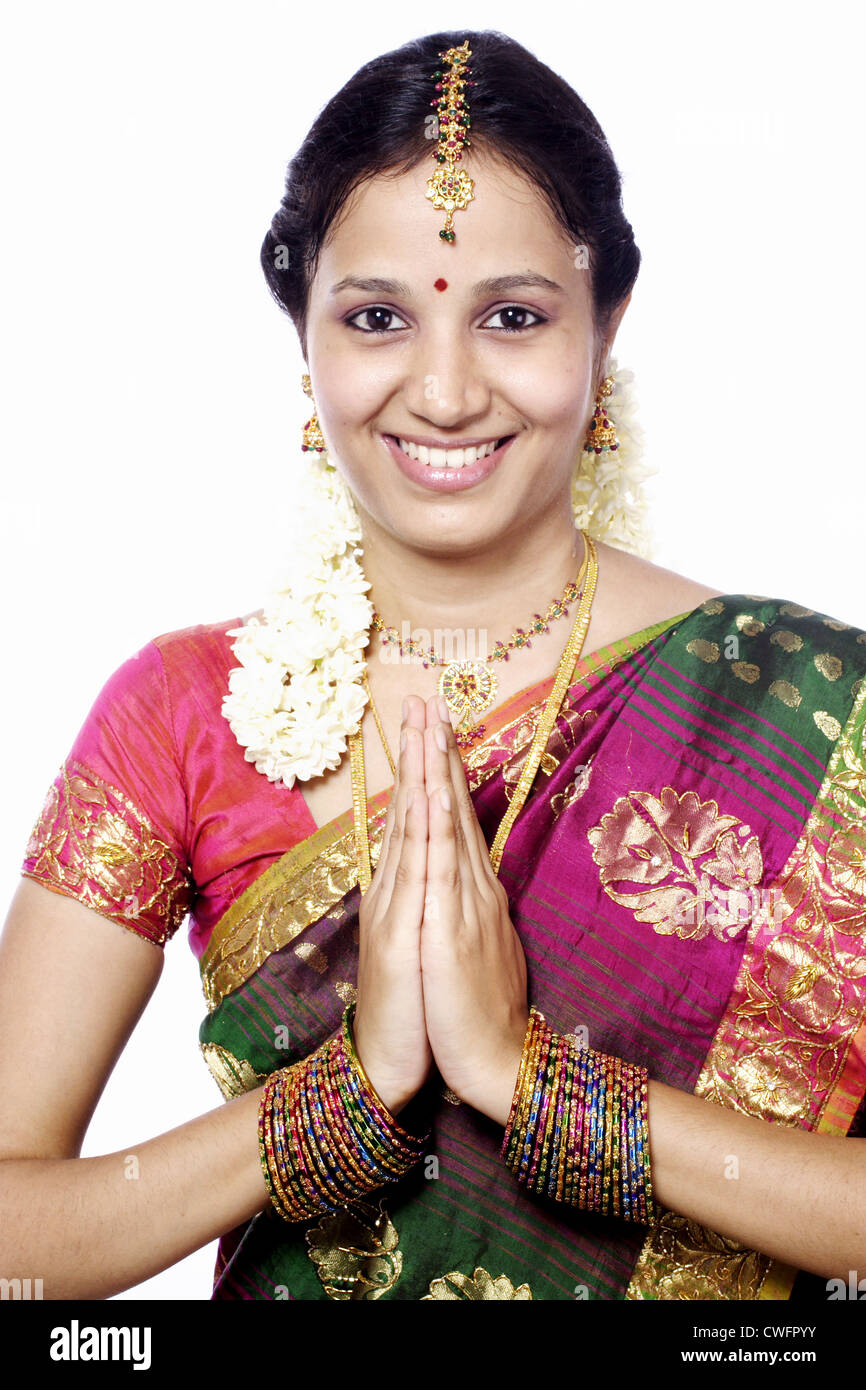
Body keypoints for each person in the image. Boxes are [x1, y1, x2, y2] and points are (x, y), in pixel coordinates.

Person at [1, 27, 864, 1303]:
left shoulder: (815, 705)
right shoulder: (175, 715)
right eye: (376, 318)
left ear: (604, 321)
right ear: (305, 334)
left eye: (512, 316)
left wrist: (528, 1081)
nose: (445, 390)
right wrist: (344, 1100)